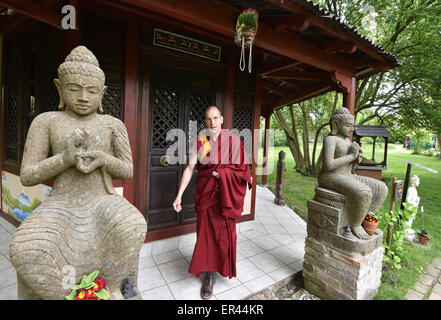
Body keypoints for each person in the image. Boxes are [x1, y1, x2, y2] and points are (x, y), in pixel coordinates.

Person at [9, 46, 147, 299]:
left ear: (102, 93)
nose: (83, 97)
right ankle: (66, 295)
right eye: (74, 89)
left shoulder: (112, 125)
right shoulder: (46, 121)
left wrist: (103, 159)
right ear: (60, 88)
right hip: (61, 203)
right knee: (24, 249)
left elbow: (127, 170)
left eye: (92, 90)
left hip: (102, 200)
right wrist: (64, 159)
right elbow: (28, 175)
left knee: (133, 225)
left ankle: (111, 287)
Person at [172, 106, 251, 299]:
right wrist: (179, 195)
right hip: (207, 197)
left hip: (225, 198)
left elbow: (243, 172)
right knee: (206, 237)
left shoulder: (232, 142)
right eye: (209, 119)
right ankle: (209, 276)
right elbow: (190, 168)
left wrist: (222, 175)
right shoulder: (202, 143)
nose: (213, 122)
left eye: (216, 118)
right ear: (205, 122)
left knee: (223, 238)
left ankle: (220, 267)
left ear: (222, 119)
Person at [318, 107, 388, 240]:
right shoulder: (331, 140)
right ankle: (355, 224)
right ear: (336, 124)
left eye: (352, 126)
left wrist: (356, 159)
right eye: (348, 126)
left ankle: (363, 217)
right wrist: (351, 156)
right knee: (365, 192)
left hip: (347, 175)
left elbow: (350, 168)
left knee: (381, 189)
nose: (351, 129)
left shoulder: (348, 141)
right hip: (331, 177)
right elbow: (328, 166)